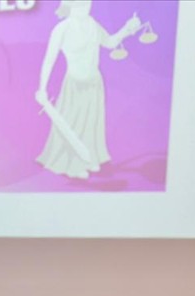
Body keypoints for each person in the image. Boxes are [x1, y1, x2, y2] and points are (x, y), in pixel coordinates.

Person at [36, 0, 142, 179]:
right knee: (73, 126)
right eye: (79, 5)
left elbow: (109, 42)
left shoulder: (92, 24)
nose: (84, 8)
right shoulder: (61, 29)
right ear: (69, 5)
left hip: (94, 84)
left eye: (86, 4)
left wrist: (127, 29)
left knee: (91, 125)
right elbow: (49, 60)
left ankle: (90, 159)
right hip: (75, 85)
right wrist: (42, 88)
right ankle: (73, 165)